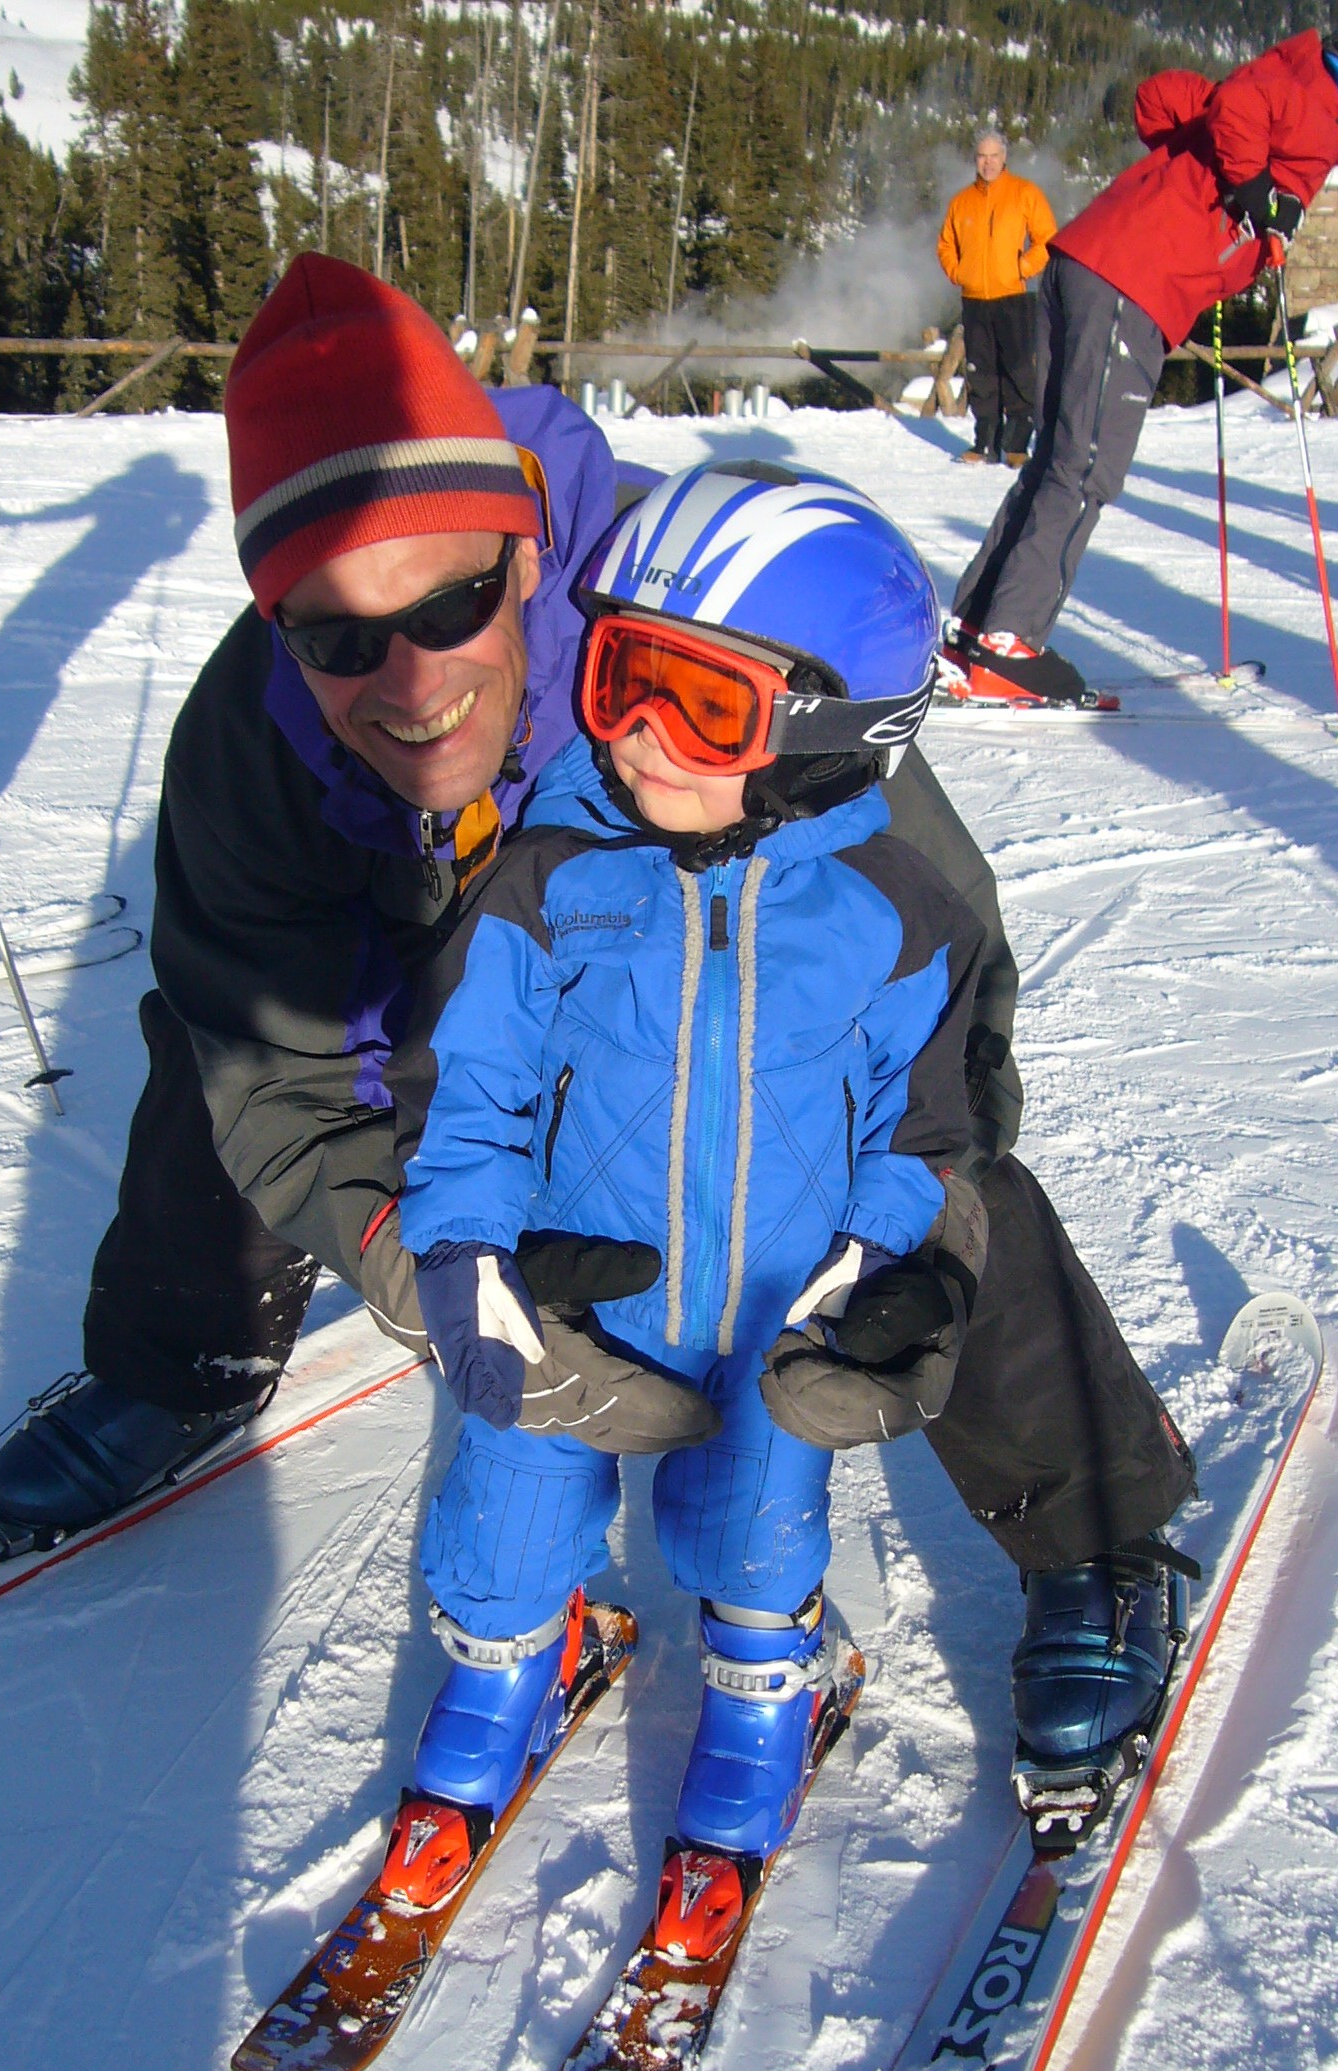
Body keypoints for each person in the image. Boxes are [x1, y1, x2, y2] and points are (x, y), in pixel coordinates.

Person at [0, 257, 1196, 1840]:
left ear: (527, 545)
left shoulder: (699, 612)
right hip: (468, 1021)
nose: (407, 681)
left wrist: (912, 1220)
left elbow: (924, 951)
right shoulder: (249, 747)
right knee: (230, 1046)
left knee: (916, 1155)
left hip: (711, 996)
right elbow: (274, 1067)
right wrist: (430, 1270)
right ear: (277, 622)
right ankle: (179, 1358)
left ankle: (1095, 1526)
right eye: (336, 637)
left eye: (455, 603)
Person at [379, 465, 988, 1921]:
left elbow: (929, 1130)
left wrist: (886, 1272)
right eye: (616, 679)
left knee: (748, 1525)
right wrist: (471, 1259)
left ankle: (772, 1681)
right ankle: (508, 1665)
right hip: (572, 1299)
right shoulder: (554, 869)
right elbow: (473, 1087)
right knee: (510, 1505)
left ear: (833, 730)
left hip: (775, 1313)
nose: (634, 738)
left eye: (696, 704)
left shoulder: (900, 910)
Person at [942, 22, 1338, 708]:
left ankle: (977, 626)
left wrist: (1233, 182)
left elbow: (1159, 100)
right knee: (1087, 467)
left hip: (1084, 265)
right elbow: (1239, 112)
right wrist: (1254, 188)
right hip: (1132, 282)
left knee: (1058, 459)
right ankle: (1008, 642)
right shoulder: (1315, 110)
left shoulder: (1284, 91)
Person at [936, 129, 1054, 467]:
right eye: (982, 156)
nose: (988, 163)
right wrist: (959, 273)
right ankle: (984, 442)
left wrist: (1022, 267)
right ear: (975, 160)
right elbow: (945, 245)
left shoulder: (1024, 193)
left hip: (1013, 297)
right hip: (975, 299)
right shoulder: (962, 202)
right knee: (981, 373)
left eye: (994, 156)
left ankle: (1016, 446)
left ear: (1005, 158)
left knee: (1018, 371)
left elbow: (1047, 239)